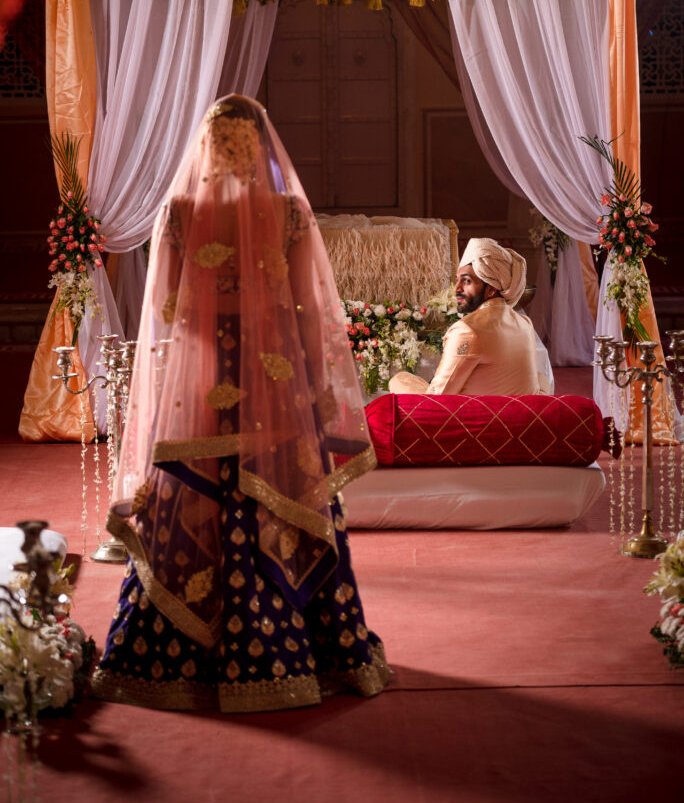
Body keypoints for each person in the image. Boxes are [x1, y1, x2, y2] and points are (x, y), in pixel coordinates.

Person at [90, 94, 390, 712]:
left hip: (197, 395)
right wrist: (315, 391)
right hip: (275, 396)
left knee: (189, 504)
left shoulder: (176, 215)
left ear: (207, 146)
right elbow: (310, 319)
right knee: (283, 502)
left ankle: (168, 658)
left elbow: (169, 315)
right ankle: (303, 652)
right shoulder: (287, 216)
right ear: (259, 146)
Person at [389, 237, 545, 396]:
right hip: (522, 414)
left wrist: (400, 382)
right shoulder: (525, 323)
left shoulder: (467, 330)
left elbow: (437, 397)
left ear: (491, 290)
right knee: (541, 378)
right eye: (458, 280)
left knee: (399, 380)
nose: (457, 288)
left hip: (479, 418)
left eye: (467, 281)